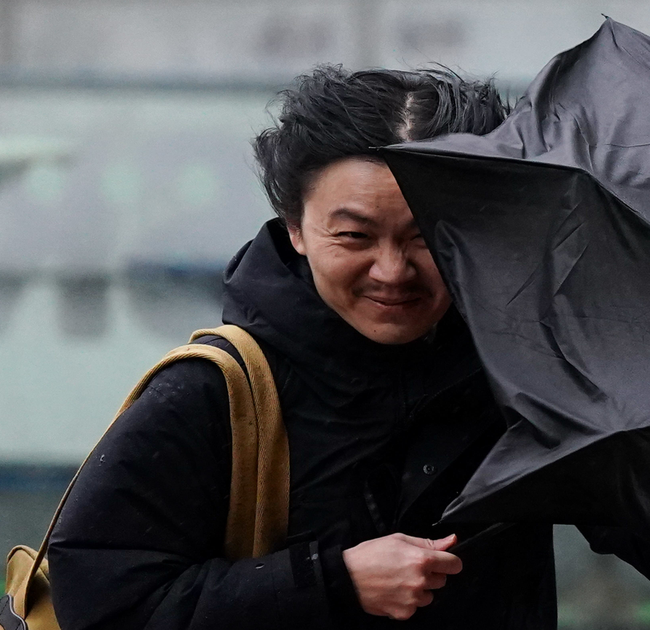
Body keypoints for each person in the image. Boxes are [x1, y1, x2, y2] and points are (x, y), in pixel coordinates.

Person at [48, 66, 557, 629]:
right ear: (295, 226)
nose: (392, 271)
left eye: (429, 237)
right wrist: (331, 581)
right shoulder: (214, 393)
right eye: (355, 237)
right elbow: (102, 604)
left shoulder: (527, 375)